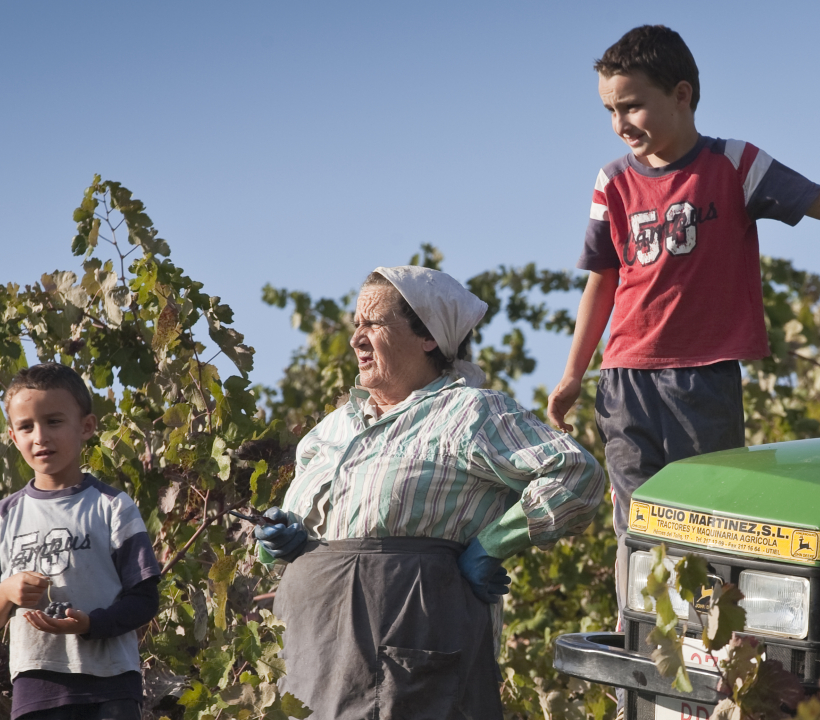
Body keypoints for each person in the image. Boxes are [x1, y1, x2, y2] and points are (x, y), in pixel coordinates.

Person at [544, 24, 820, 596]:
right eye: (610, 110)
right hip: (624, 379)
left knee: (708, 520)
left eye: (632, 106)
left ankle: (710, 630)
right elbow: (603, 281)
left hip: (704, 379)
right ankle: (636, 624)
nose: (620, 123)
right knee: (637, 525)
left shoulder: (735, 165)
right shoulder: (612, 182)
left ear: (682, 95)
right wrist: (573, 374)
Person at [253, 266, 604, 720]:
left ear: (428, 338)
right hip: (311, 656)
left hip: (410, 661)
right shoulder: (330, 431)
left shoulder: (470, 412)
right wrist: (280, 541)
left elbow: (576, 473)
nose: (356, 338)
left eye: (373, 323)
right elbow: (293, 541)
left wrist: (493, 544)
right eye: (355, 324)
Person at [0, 363, 162, 720]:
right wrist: (6, 592)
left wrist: (90, 624)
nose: (40, 437)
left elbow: (145, 600)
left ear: (86, 426)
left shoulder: (113, 506)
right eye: (26, 426)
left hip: (111, 686)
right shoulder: (2, 517)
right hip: (36, 689)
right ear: (13, 436)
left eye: (54, 421)